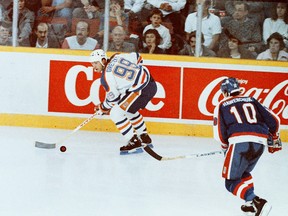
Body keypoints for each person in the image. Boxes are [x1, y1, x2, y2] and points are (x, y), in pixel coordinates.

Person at [213, 77, 282, 216]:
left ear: (225, 92)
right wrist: (274, 136)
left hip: (239, 143)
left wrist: (226, 147)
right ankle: (250, 205)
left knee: (230, 182)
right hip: (259, 143)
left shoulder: (222, 104)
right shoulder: (251, 99)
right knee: (243, 173)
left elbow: (219, 133)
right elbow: (274, 119)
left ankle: (257, 201)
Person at [89, 49, 157, 154]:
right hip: (151, 83)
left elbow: (113, 99)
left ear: (103, 60)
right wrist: (136, 76)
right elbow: (138, 56)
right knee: (128, 110)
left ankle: (134, 142)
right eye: (92, 63)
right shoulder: (117, 56)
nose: (93, 66)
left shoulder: (106, 77)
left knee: (116, 113)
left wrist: (102, 107)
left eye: (95, 63)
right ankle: (144, 138)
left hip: (139, 90)